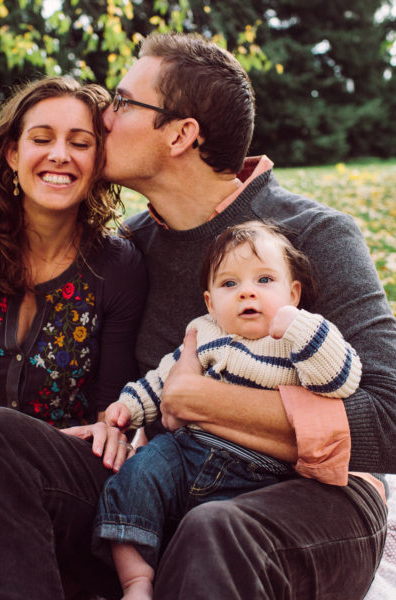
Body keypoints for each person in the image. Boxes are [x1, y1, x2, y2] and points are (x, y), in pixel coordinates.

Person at [0, 33, 396, 600]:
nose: (104, 117)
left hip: (299, 507)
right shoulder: (130, 249)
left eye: (123, 101)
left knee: (213, 530)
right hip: (157, 490)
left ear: (181, 133)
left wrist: (205, 402)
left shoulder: (316, 235)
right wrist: (108, 426)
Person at [0, 77, 148, 596]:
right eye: (41, 138)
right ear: (9, 154)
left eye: (80, 142)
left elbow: (108, 410)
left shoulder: (118, 266)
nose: (59, 155)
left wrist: (81, 434)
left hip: (76, 473)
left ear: (98, 162)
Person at [95, 221, 364, 599]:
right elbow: (163, 382)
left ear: (294, 292)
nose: (247, 293)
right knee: (135, 477)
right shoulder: (205, 333)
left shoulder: (301, 340)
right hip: (186, 450)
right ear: (210, 302)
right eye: (229, 284)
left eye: (265, 280)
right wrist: (126, 408)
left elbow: (342, 380)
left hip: (263, 470)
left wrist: (299, 327)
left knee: (225, 527)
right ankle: (136, 581)